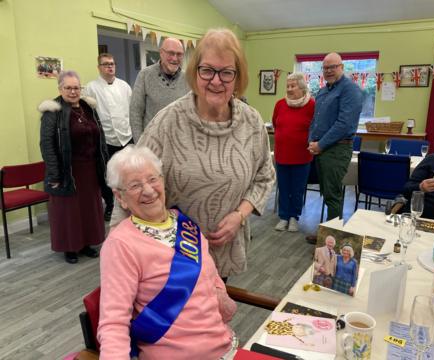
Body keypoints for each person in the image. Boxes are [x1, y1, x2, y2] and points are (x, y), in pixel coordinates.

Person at [113, 28, 275, 280]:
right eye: (207, 70)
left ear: (238, 76)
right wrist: (118, 250)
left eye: (227, 72)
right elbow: (129, 181)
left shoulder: (251, 122)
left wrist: (240, 216)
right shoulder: (168, 121)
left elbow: (265, 176)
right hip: (169, 258)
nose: (216, 81)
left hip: (222, 250)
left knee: (212, 314)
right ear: (194, 71)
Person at [98, 146, 237, 359]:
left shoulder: (185, 223)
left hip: (224, 345)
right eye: (135, 185)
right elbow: (114, 322)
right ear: (120, 197)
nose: (148, 190)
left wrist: (223, 300)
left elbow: (212, 276)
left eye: (152, 179)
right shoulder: (120, 245)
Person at [39, 71, 108, 264]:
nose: (72, 91)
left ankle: (86, 244)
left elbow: (99, 136)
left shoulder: (88, 107)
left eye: (76, 87)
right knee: (68, 211)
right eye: (68, 88)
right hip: (67, 169)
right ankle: (70, 247)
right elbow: (47, 145)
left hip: (90, 169)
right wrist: (54, 174)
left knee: (87, 208)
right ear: (60, 89)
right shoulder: (52, 111)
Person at [306, 53, 363, 243]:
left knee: (333, 196)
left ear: (342, 67)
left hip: (337, 149)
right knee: (327, 192)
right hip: (320, 149)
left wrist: (320, 144)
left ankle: (331, 241)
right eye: (325, 68)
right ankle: (328, 233)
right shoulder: (323, 91)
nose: (329, 71)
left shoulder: (351, 90)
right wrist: (311, 142)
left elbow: (344, 124)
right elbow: (316, 120)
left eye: (333, 67)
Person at [84, 53, 133, 222]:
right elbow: (87, 114)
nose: (109, 67)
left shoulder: (124, 86)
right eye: (105, 64)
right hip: (106, 140)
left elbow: (131, 110)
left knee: (129, 172)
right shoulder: (91, 88)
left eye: (112, 64)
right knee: (108, 175)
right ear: (99, 68)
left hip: (126, 137)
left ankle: (130, 202)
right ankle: (111, 205)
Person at [273, 72, 315, 232]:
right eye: (288, 86)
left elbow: (315, 127)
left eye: (293, 86)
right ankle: (283, 216)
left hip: (302, 156)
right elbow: (277, 124)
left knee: (297, 189)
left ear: (302, 88)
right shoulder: (280, 104)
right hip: (282, 154)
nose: (289, 89)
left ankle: (294, 217)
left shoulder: (311, 104)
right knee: (283, 188)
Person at [129, 37, 189, 142]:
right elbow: (135, 113)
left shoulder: (188, 78)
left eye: (179, 54)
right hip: (152, 145)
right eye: (171, 53)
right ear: (161, 53)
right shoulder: (144, 75)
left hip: (180, 144)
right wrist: (139, 146)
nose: (175, 58)